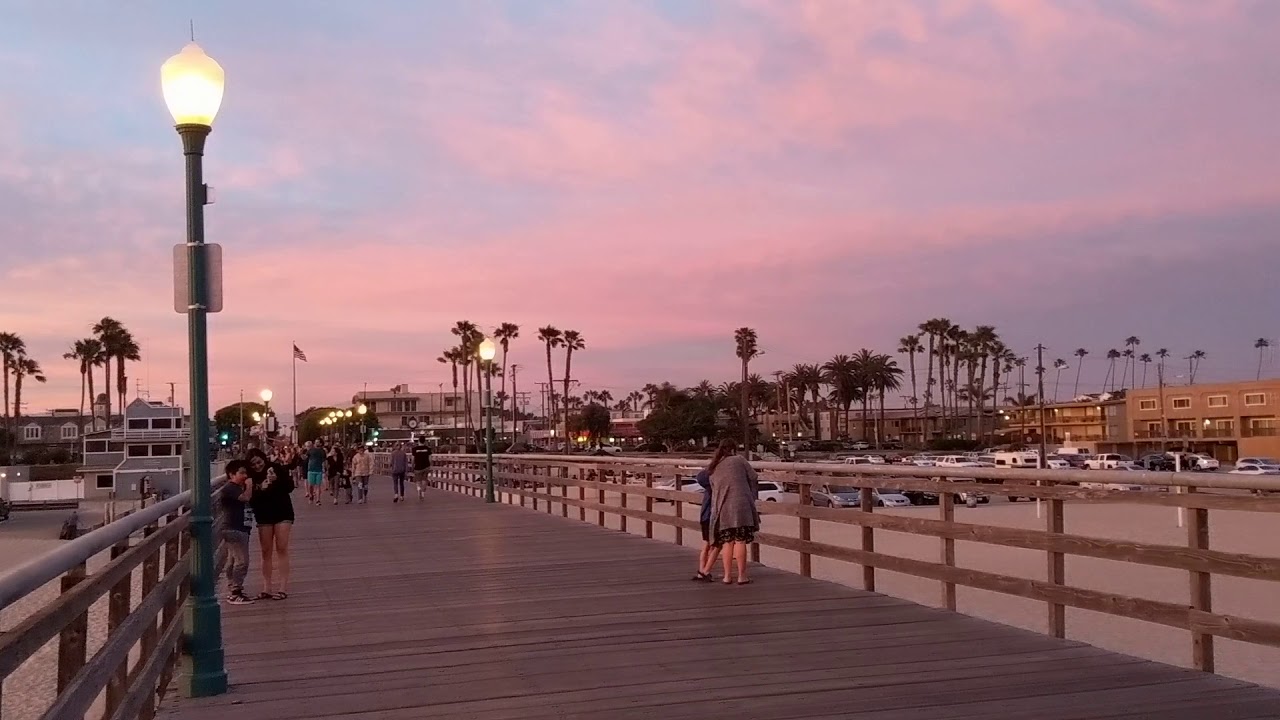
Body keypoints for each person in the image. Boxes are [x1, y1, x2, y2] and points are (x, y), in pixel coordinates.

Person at [707, 439, 759, 585]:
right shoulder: (739, 460)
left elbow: (711, 485)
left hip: (722, 508)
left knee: (727, 543)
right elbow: (754, 477)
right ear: (734, 449)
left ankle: (727, 576)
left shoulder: (714, 466)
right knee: (740, 541)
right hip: (741, 506)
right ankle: (742, 576)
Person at [247, 448, 295, 600]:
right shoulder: (250, 477)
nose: (257, 466)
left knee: (281, 547)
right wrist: (260, 488)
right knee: (265, 550)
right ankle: (266, 587)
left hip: (283, 511)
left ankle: (282, 588)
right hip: (263, 514)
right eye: (253, 464)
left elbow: (290, 487)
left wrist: (276, 480)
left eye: (259, 462)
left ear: (264, 459)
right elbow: (250, 499)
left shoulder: (277, 468)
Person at [215, 460, 255, 604]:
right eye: (241, 473)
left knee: (232, 560)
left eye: (246, 473)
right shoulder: (231, 488)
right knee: (242, 561)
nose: (245, 476)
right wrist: (249, 485)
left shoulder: (237, 487)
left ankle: (233, 587)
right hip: (234, 527)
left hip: (239, 527)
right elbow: (246, 498)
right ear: (232, 475)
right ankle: (235, 592)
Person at [691, 468, 718, 581]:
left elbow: (701, 476)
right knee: (717, 545)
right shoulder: (717, 489)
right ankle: (707, 570)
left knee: (706, 544)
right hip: (713, 517)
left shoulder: (707, 488)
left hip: (704, 516)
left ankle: (701, 570)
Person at [305, 441, 326, 505]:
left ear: (320, 443)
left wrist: (324, 468)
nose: (317, 443)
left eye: (318, 442)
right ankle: (311, 496)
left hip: (319, 470)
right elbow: (305, 457)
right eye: (316, 442)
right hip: (311, 469)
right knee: (311, 485)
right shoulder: (310, 450)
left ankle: (318, 500)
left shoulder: (322, 451)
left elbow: (324, 460)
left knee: (318, 486)